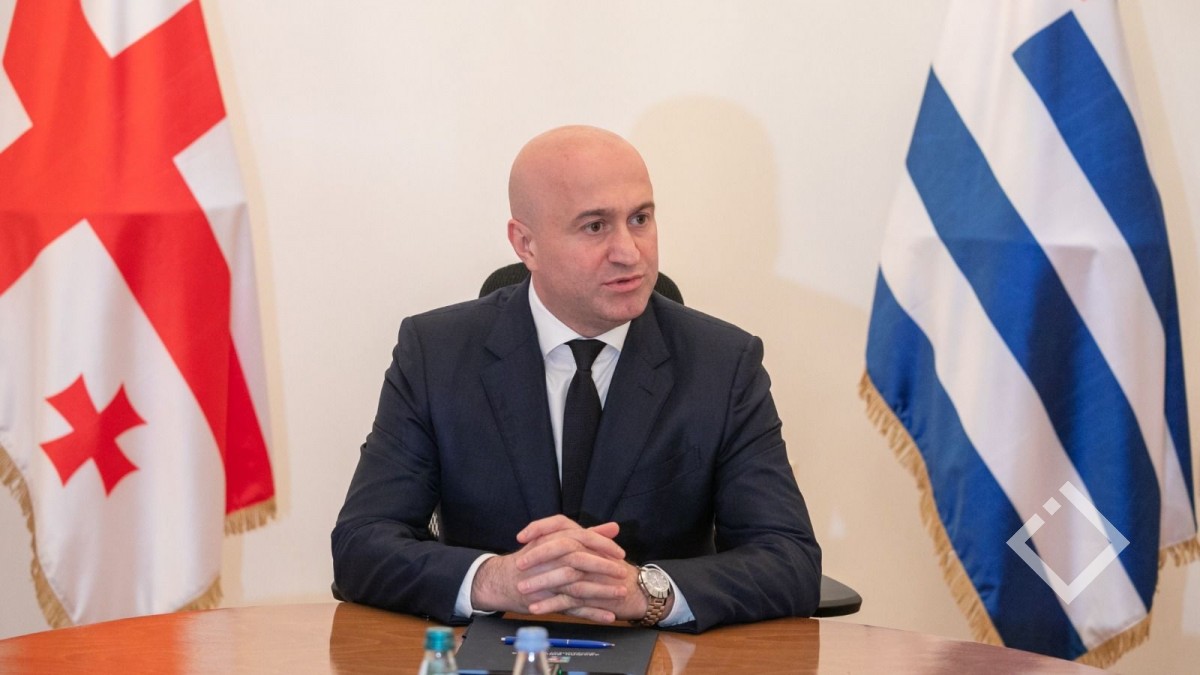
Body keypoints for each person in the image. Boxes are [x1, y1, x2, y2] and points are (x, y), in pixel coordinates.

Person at [332, 125, 821, 632]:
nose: (629, 251)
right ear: (526, 244)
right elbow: (360, 543)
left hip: (662, 655)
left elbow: (789, 559)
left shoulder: (723, 363)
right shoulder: (435, 353)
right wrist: (495, 580)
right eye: (595, 226)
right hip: (492, 650)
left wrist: (644, 590)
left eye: (640, 219)